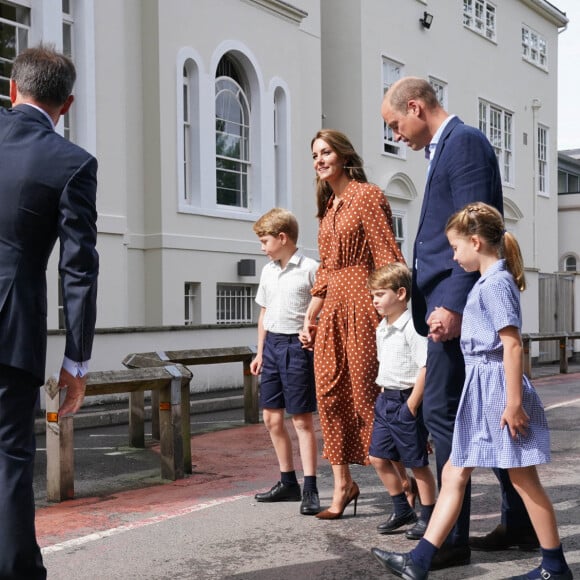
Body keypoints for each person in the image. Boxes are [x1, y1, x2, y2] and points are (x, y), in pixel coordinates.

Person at [379, 76, 536, 569]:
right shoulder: (442, 148)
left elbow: (478, 228)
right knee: (483, 414)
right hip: (446, 304)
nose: (396, 134)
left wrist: (452, 301)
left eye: (395, 123)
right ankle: (520, 523)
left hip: (455, 306)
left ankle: (450, 541)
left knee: (446, 416)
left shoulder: (463, 142)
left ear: (417, 107)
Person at [371, 202, 572, 580]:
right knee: (454, 472)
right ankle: (420, 560)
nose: (453, 255)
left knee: (522, 479)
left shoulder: (496, 282)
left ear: (476, 242)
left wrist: (513, 403)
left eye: (455, 247)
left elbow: (511, 345)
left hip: (496, 389)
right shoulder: (488, 281)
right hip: (481, 388)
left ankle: (554, 566)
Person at [0, 45, 99, 579]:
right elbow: (78, 269)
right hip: (10, 325)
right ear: (69, 103)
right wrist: (76, 361)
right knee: (8, 457)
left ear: (13, 88)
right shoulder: (72, 162)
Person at [299, 129, 404, 520]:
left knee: (366, 395)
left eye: (326, 152)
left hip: (363, 302)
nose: (320, 160)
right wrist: (312, 311)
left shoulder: (367, 195)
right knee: (328, 394)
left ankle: (405, 485)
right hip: (332, 309)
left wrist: (391, 311)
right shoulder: (329, 207)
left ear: (343, 155)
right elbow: (326, 267)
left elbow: (387, 255)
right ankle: (343, 484)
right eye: (315, 155)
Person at [250, 208, 321, 515]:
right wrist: (259, 351)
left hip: (297, 347)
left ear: (283, 237)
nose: (262, 247)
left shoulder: (310, 268)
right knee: (271, 418)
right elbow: (264, 314)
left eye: (265, 241)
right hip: (273, 347)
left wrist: (311, 332)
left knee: (302, 420)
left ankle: (311, 487)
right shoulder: (268, 271)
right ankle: (287, 482)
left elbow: (323, 309)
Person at [367, 263, 436, 539]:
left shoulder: (412, 326)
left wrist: (412, 405)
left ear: (401, 294)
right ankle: (401, 508)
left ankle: (429, 515)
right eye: (373, 295)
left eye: (380, 294)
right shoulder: (383, 327)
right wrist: (383, 397)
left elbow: (425, 367)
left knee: (416, 462)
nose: (375, 301)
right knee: (377, 457)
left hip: (407, 401)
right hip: (386, 399)